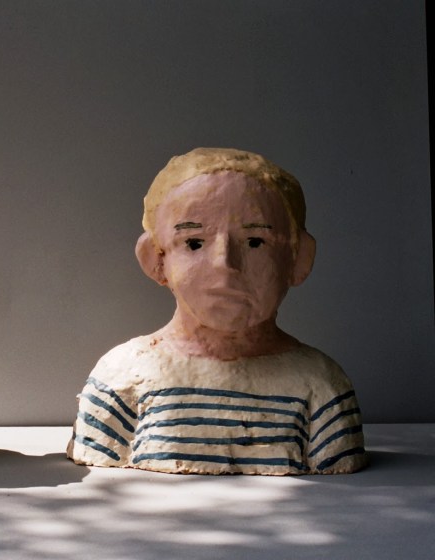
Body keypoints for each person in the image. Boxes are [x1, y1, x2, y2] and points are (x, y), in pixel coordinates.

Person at [67, 147, 366, 475]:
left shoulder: (321, 388)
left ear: (299, 259)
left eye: (255, 242)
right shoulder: (120, 380)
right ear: (155, 259)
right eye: (194, 243)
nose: (224, 265)